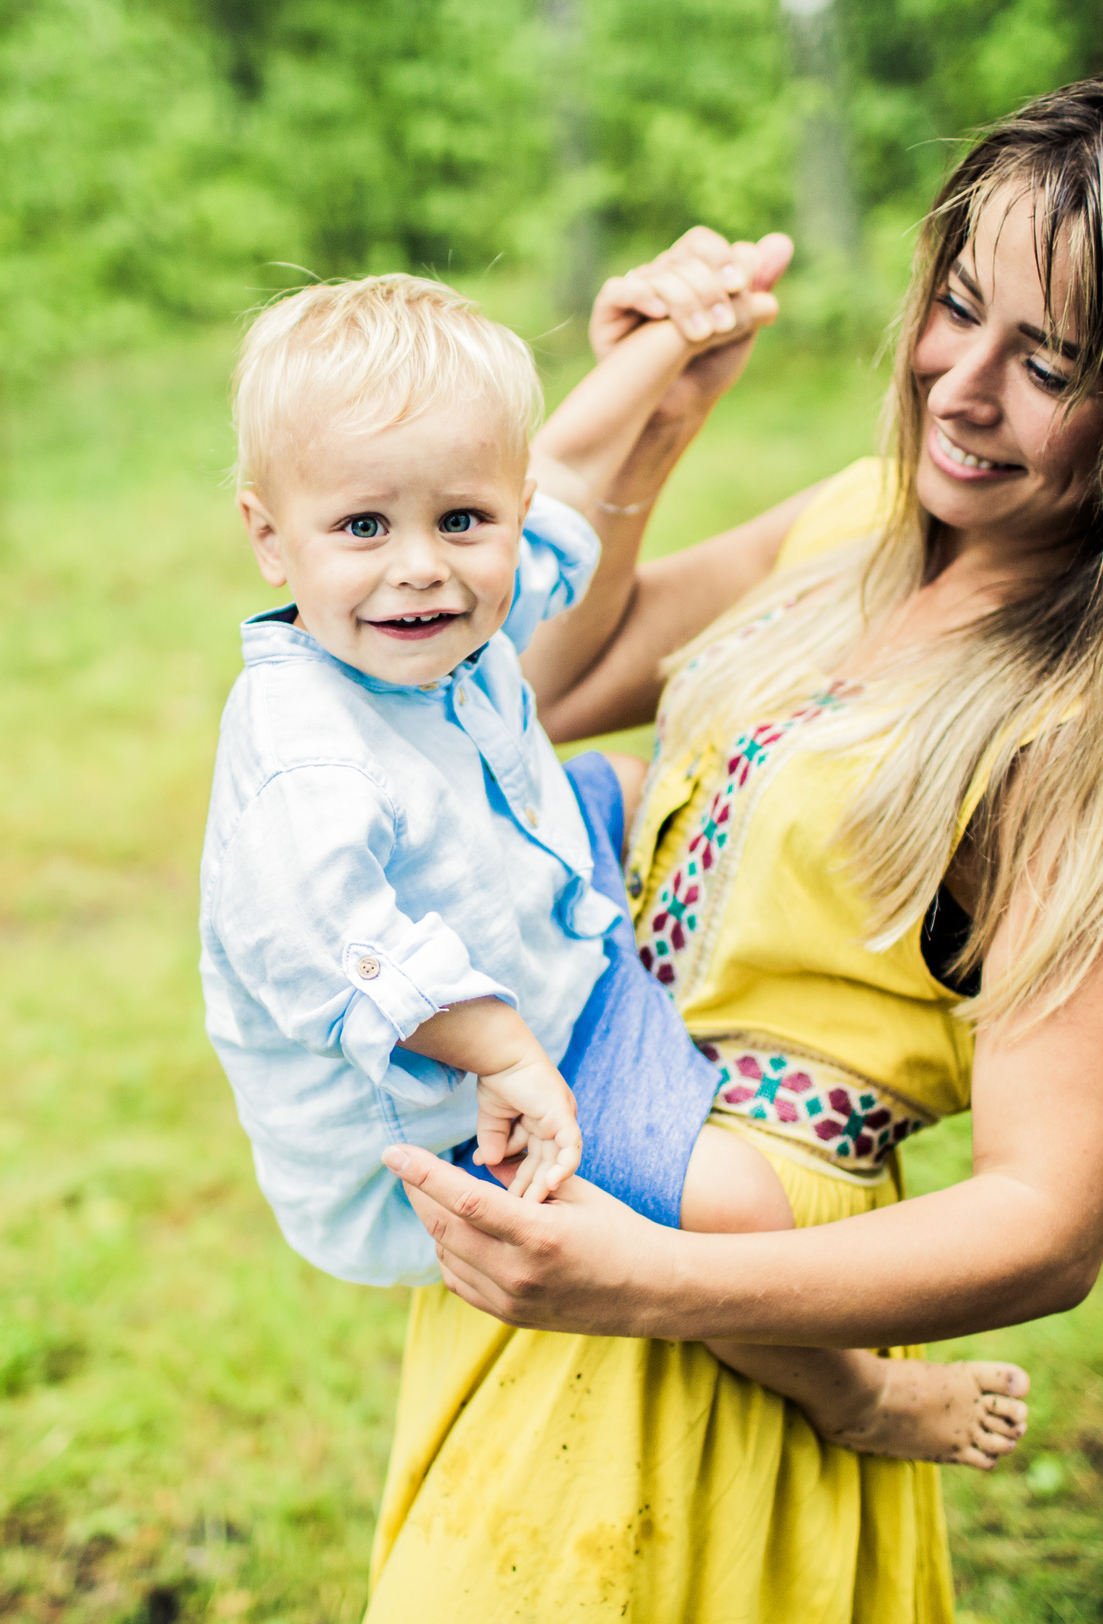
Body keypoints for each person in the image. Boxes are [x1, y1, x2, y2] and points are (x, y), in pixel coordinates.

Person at [337, 70, 1103, 1624]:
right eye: (957, 307)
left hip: (733, 1275)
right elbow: (535, 673)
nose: (960, 385)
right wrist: (649, 414)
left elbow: (1046, 1217)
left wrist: (647, 1283)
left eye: (1053, 362)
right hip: (582, 1161)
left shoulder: (1096, 750)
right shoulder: (867, 522)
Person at [200, 273, 1032, 1473]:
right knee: (737, 1211)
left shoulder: (431, 604)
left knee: (640, 788)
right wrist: (505, 1054)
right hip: (463, 1074)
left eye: (463, 521)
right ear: (270, 537)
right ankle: (857, 1400)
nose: (422, 568)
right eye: (364, 528)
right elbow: (348, 954)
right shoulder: (304, 757)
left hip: (519, 900)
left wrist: (667, 352)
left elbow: (569, 476)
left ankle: (680, 991)